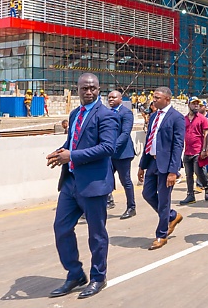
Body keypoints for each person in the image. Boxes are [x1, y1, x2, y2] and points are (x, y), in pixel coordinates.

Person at [46, 73, 118, 299]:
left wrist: (72, 156)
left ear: (99, 89)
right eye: (84, 88)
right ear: (76, 89)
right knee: (61, 228)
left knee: (96, 235)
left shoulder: (106, 116)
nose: (89, 92)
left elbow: (108, 147)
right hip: (71, 182)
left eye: (93, 88)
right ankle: (75, 273)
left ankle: (98, 277)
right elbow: (72, 142)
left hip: (94, 184)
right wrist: (61, 152)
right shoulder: (75, 113)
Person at [137, 87, 185, 250]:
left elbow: (178, 145)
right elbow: (148, 142)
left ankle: (161, 234)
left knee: (164, 201)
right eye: (154, 97)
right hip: (152, 163)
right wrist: (142, 165)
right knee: (147, 194)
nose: (154, 100)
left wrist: (173, 170)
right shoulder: (153, 117)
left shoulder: (177, 118)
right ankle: (172, 216)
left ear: (167, 99)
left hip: (166, 166)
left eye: (157, 97)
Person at [106, 90, 136, 219]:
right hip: (108, 154)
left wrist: (112, 147)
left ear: (120, 99)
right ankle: (105, 203)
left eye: (113, 97)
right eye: (109, 98)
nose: (111, 100)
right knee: (104, 179)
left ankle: (131, 207)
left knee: (125, 181)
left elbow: (125, 133)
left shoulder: (126, 113)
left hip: (123, 153)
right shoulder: (107, 113)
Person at [180, 96, 208, 205]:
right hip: (187, 151)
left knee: (199, 172)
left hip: (198, 150)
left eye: (197, 103)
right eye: (193, 103)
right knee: (188, 175)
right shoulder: (184, 119)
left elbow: (206, 134)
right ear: (189, 105)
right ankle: (190, 195)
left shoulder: (202, 119)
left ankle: (207, 186)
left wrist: (205, 149)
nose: (196, 105)